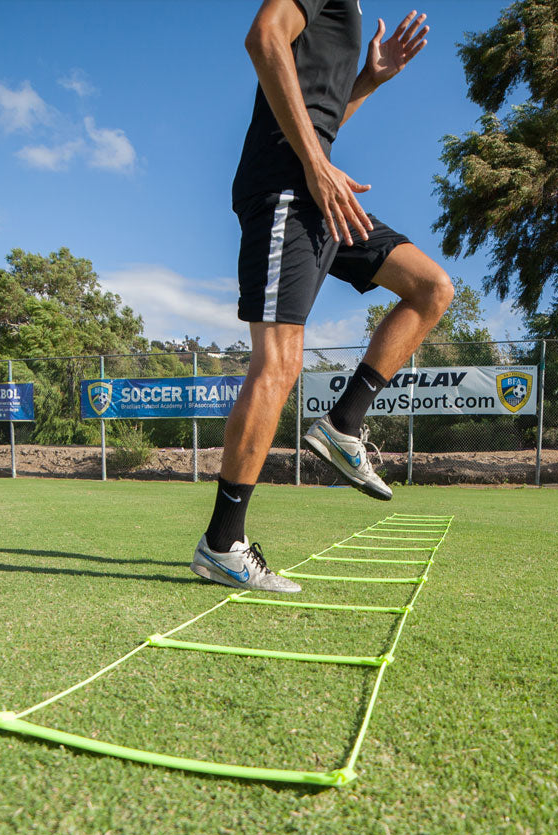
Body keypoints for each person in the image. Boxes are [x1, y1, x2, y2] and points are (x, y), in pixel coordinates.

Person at [191, 0, 454, 593]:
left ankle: (343, 422)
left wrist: (368, 79)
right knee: (279, 363)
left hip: (322, 190)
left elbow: (322, 115)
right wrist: (313, 163)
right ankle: (222, 543)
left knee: (431, 288)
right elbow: (264, 37)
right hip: (289, 185)